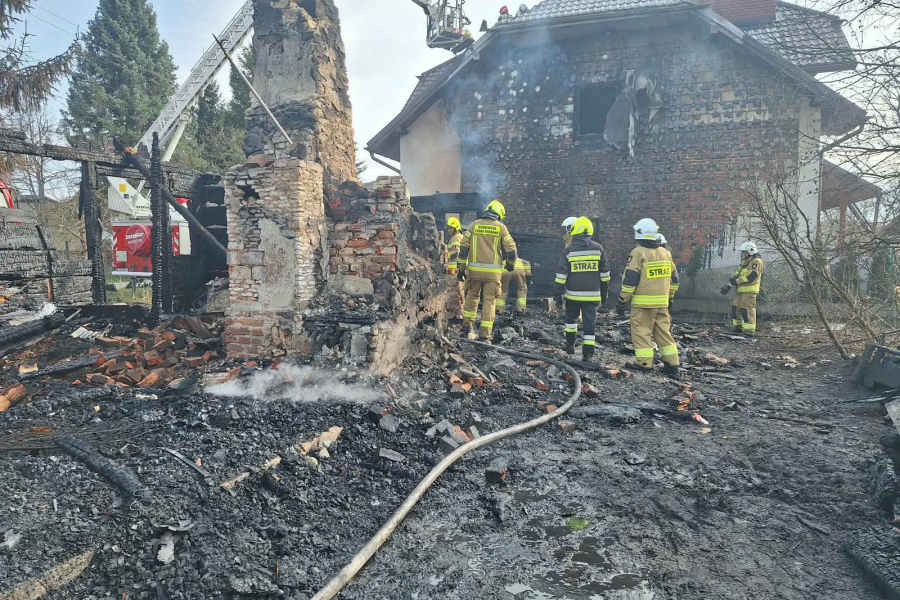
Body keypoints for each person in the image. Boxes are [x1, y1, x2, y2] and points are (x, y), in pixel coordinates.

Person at [617, 218, 680, 374]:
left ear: (638, 234)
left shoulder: (638, 253)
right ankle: (672, 364)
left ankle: (644, 363)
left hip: (642, 304)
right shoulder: (666, 253)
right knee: (664, 333)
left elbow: (630, 279)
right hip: (662, 304)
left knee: (641, 332)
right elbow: (675, 279)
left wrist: (622, 300)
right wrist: (670, 297)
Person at [457, 200, 517, 341]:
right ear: (499, 214)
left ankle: (467, 329)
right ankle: (484, 335)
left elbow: (463, 249)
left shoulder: (473, 225)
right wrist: (510, 265)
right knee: (489, 302)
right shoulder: (501, 228)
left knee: (471, 298)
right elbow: (512, 251)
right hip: (492, 274)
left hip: (474, 272)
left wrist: (461, 269)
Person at [554, 217, 610, 361]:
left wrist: (557, 294)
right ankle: (588, 355)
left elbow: (561, 275)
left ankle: (570, 345)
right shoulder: (598, 249)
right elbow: (605, 275)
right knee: (589, 325)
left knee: (571, 322)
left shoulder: (569, 250)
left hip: (573, 296)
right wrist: (604, 294)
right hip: (592, 297)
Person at [721, 241, 764, 335]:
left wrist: (737, 281)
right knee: (735, 308)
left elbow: (752, 276)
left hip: (749, 291)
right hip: (740, 290)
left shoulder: (756, 261)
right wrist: (729, 284)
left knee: (747, 310)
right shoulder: (745, 261)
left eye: (745, 251)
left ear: (751, 251)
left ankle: (749, 330)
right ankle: (738, 327)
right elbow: (738, 273)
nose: (744, 254)